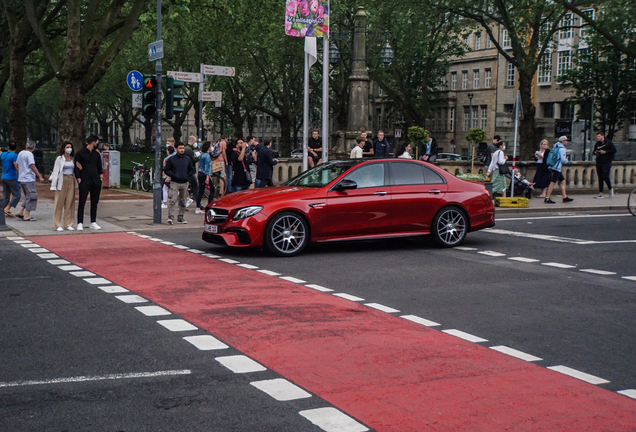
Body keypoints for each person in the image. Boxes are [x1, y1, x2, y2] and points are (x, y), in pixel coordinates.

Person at [74, 134, 103, 230]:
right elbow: (76, 167)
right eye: (96, 142)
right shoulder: (81, 153)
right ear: (93, 142)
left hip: (95, 179)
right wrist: (79, 178)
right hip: (85, 179)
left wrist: (101, 177)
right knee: (82, 201)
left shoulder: (96, 154)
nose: (97, 144)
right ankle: (80, 222)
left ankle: (93, 221)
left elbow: (99, 166)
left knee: (95, 202)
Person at [49, 141, 77, 231]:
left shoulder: (73, 159)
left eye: (70, 147)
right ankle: (57, 224)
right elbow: (56, 171)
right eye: (67, 147)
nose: (69, 148)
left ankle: (68, 224)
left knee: (70, 203)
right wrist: (54, 184)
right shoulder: (59, 159)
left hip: (71, 180)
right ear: (64, 148)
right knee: (59, 203)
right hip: (62, 180)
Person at [164, 142, 194, 224]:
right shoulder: (172, 159)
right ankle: (171, 217)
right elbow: (166, 169)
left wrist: (188, 176)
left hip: (184, 182)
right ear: (176, 149)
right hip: (174, 182)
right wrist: (173, 175)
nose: (182, 150)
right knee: (172, 200)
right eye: (180, 148)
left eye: (183, 148)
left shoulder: (187, 159)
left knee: (183, 201)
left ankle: (181, 217)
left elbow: (191, 169)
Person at [15, 141, 45, 221]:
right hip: (28, 178)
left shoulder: (21, 153)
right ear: (33, 147)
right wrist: (39, 176)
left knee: (28, 195)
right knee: (32, 196)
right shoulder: (30, 154)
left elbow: (17, 165)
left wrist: (20, 173)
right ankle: (27, 214)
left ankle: (20, 211)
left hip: (22, 178)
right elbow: (32, 165)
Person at [544, 136, 573, 204]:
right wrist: (566, 160)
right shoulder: (561, 149)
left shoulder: (555, 147)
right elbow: (563, 160)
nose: (567, 141)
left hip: (553, 166)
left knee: (562, 181)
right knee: (552, 183)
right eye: (566, 140)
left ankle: (565, 197)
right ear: (562, 141)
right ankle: (547, 198)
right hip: (557, 168)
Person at [593, 131, 617, 198]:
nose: (598, 138)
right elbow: (594, 152)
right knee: (600, 177)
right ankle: (600, 192)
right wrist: (596, 152)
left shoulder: (608, 143)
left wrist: (605, 152)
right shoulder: (597, 144)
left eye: (599, 136)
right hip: (599, 161)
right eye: (597, 136)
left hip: (606, 162)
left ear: (602, 136)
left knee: (605, 176)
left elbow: (614, 150)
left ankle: (610, 188)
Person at [1, 141, 20, 218]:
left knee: (6, 196)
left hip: (4, 176)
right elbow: (16, 165)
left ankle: (3, 211)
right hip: (11, 177)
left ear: (8, 147)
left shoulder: (3, 154)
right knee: (17, 194)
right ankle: (7, 208)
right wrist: (20, 173)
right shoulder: (15, 155)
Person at [195, 141, 214, 214]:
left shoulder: (202, 154)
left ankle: (198, 207)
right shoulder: (207, 156)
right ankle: (209, 206)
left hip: (200, 174)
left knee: (201, 191)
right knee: (212, 190)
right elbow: (207, 167)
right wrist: (208, 177)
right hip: (204, 174)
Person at [184, 136, 199, 208]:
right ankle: (197, 203)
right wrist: (199, 157)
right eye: (195, 141)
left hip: (186, 170)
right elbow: (193, 160)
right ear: (192, 141)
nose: (195, 143)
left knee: (188, 186)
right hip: (189, 171)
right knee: (195, 186)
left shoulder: (187, 148)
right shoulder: (189, 150)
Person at [162, 143, 176, 208]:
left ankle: (164, 203)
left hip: (169, 175)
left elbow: (166, 166)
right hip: (172, 174)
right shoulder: (174, 156)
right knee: (172, 187)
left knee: (165, 188)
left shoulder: (169, 158)